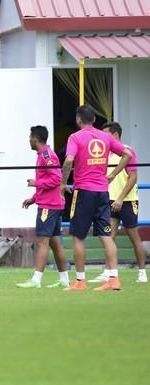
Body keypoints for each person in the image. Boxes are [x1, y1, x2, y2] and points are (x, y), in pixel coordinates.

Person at [61, 105, 133, 291]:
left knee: (77, 236)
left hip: (84, 191)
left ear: (78, 119)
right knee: (106, 235)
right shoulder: (106, 136)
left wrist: (63, 182)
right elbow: (127, 154)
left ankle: (80, 281)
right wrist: (113, 174)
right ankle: (113, 279)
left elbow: (69, 160)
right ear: (94, 120)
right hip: (103, 192)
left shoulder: (75, 137)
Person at [89, 122, 146, 284]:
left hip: (127, 201)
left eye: (105, 134)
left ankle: (142, 272)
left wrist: (121, 198)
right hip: (109, 201)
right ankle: (108, 271)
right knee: (108, 236)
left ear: (114, 135)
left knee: (134, 237)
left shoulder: (127, 151)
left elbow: (133, 177)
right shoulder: (105, 154)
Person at [17, 125, 70, 288]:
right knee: (54, 243)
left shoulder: (47, 156)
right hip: (51, 203)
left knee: (41, 242)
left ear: (35, 138)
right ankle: (64, 280)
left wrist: (35, 183)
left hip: (49, 206)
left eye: (29, 137)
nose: (28, 140)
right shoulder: (43, 155)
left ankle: (36, 280)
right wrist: (33, 199)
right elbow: (49, 182)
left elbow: (56, 179)